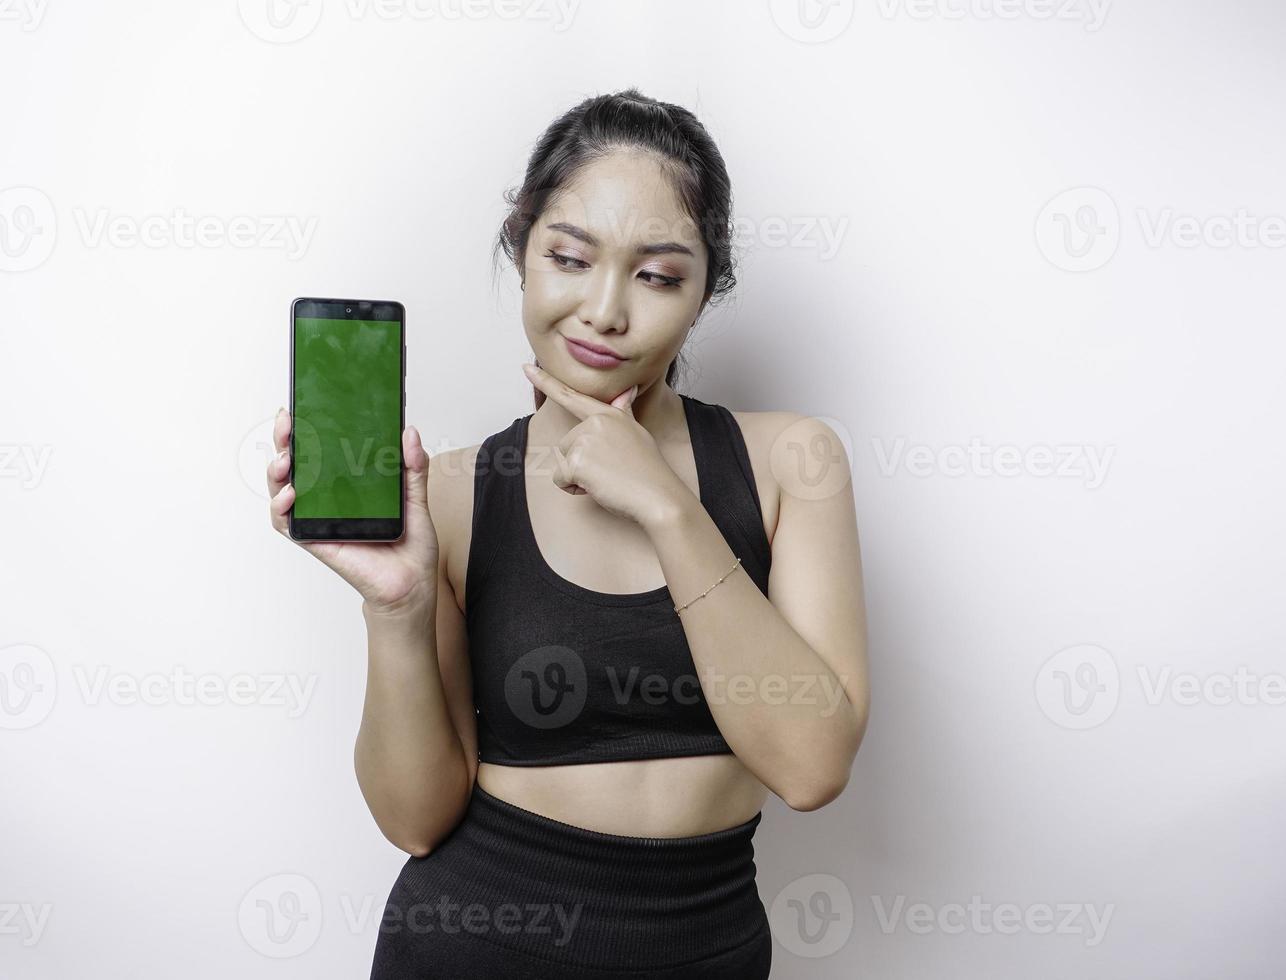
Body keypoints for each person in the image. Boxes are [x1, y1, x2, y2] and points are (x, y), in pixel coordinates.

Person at [266, 87, 869, 979]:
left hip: (707, 950)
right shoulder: (458, 492)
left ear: (708, 289)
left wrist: (667, 507)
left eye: (659, 275)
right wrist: (398, 606)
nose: (604, 310)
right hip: (475, 945)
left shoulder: (792, 461)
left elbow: (812, 769)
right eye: (570, 258)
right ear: (523, 251)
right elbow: (414, 818)